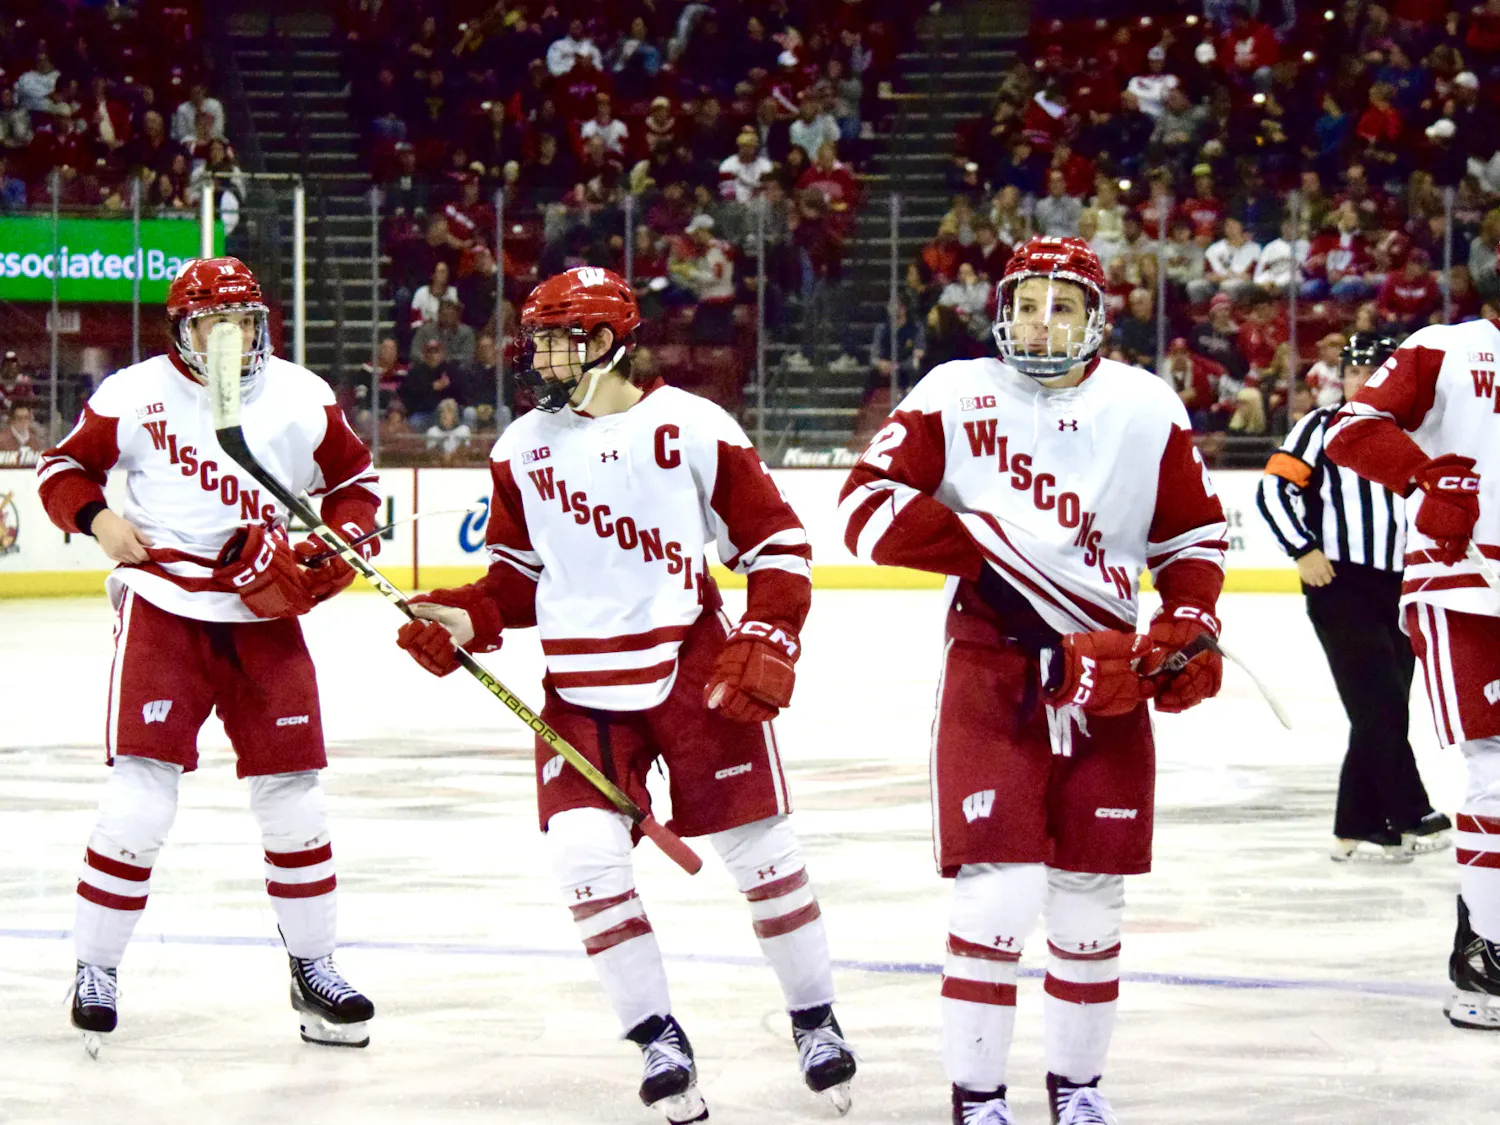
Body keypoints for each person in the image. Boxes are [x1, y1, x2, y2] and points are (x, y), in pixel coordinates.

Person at [392, 267, 857, 1119]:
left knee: (762, 856)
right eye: (536, 338)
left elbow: (780, 544)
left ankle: (815, 1020)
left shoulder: (690, 426)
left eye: (559, 338)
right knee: (581, 857)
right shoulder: (520, 447)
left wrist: (768, 633)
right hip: (580, 690)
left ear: (607, 343)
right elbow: (519, 582)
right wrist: (465, 617)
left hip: (693, 671)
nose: (539, 355)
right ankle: (656, 1036)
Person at [837, 236, 1227, 1124]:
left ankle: (1078, 1089)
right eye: (1024, 303)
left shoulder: (1145, 404)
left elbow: (1195, 538)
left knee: (1092, 895)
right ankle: (977, 1097)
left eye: (1060, 306)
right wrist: (995, 564)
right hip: (993, 665)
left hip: (1110, 672)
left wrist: (1190, 621)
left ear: (1096, 318)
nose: (1038, 321)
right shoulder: (954, 391)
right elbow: (863, 506)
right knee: (998, 887)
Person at [34, 257, 382, 1055]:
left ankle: (315, 967)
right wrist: (96, 521)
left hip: (267, 616)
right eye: (214, 324)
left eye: (246, 321)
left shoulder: (301, 395)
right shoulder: (132, 393)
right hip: (166, 608)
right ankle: (95, 967)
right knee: (139, 798)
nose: (234, 339)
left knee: (295, 794)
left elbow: (356, 484)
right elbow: (63, 467)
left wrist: (339, 540)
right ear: (181, 331)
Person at [1327, 317, 1500, 1031]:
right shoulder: (1450, 346)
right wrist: (1425, 476)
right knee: (1495, 768)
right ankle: (1488, 954)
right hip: (1463, 585)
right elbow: (1352, 428)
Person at [1257, 334, 1450, 863]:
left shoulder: (1415, 434)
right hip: (1340, 583)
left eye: (1373, 370)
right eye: (1352, 370)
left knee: (1382, 708)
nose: (1360, 380)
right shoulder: (1320, 428)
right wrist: (1303, 549)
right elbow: (1274, 489)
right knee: (1379, 704)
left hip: (1404, 586)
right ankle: (1412, 811)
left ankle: (1358, 826)